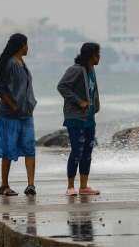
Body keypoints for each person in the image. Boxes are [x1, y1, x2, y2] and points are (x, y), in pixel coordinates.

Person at [0, 33, 38, 196]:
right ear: (21, 46)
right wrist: (12, 105)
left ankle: (31, 185)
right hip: (9, 115)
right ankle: (4, 185)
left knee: (30, 148)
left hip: (26, 114)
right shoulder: (10, 63)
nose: (28, 47)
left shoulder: (22, 62)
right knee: (8, 150)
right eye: (26, 44)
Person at [57, 42, 102, 196]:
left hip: (89, 118)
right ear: (90, 55)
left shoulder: (91, 70)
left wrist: (95, 107)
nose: (99, 57)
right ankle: (70, 187)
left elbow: (93, 91)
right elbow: (62, 86)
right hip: (75, 118)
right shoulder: (75, 70)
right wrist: (79, 101)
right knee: (77, 150)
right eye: (97, 54)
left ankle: (83, 187)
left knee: (87, 152)